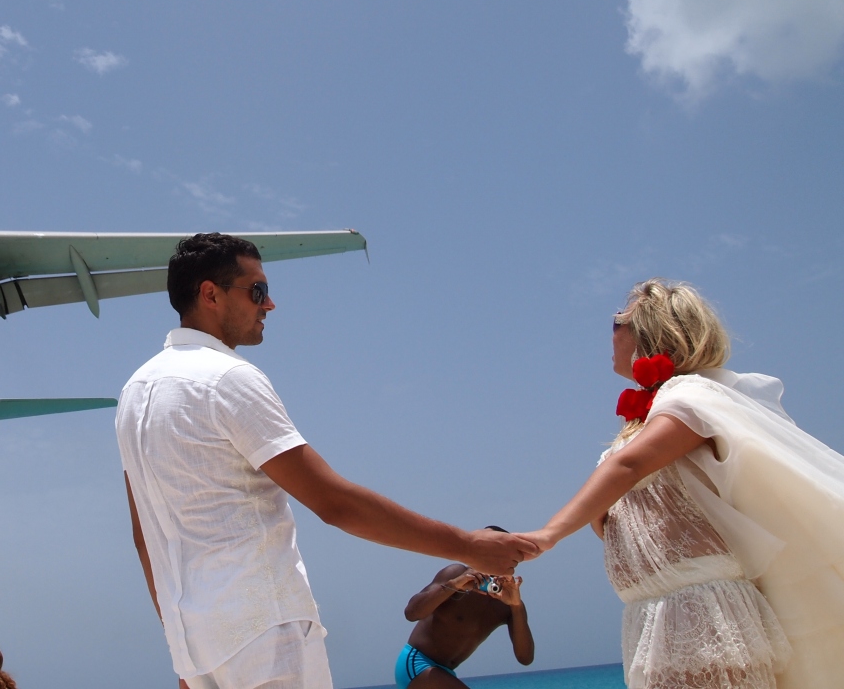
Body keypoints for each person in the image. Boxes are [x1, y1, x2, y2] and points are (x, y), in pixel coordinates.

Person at [116, 232, 538, 689]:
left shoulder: (133, 395)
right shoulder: (227, 378)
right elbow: (335, 503)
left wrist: (184, 655)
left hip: (197, 649)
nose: (270, 304)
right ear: (210, 294)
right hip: (264, 636)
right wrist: (468, 546)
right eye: (257, 290)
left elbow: (145, 537)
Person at [521, 278, 844, 689]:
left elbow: (629, 466)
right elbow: (621, 513)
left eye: (617, 321)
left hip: (698, 604)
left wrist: (548, 535)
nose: (611, 331)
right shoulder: (654, 416)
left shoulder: (691, 397)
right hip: (650, 608)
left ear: (651, 331)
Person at [396, 533, 534, 688]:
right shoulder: (456, 574)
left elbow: (525, 658)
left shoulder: (507, 602)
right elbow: (411, 613)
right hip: (417, 663)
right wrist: (454, 585)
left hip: (445, 673)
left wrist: (516, 606)